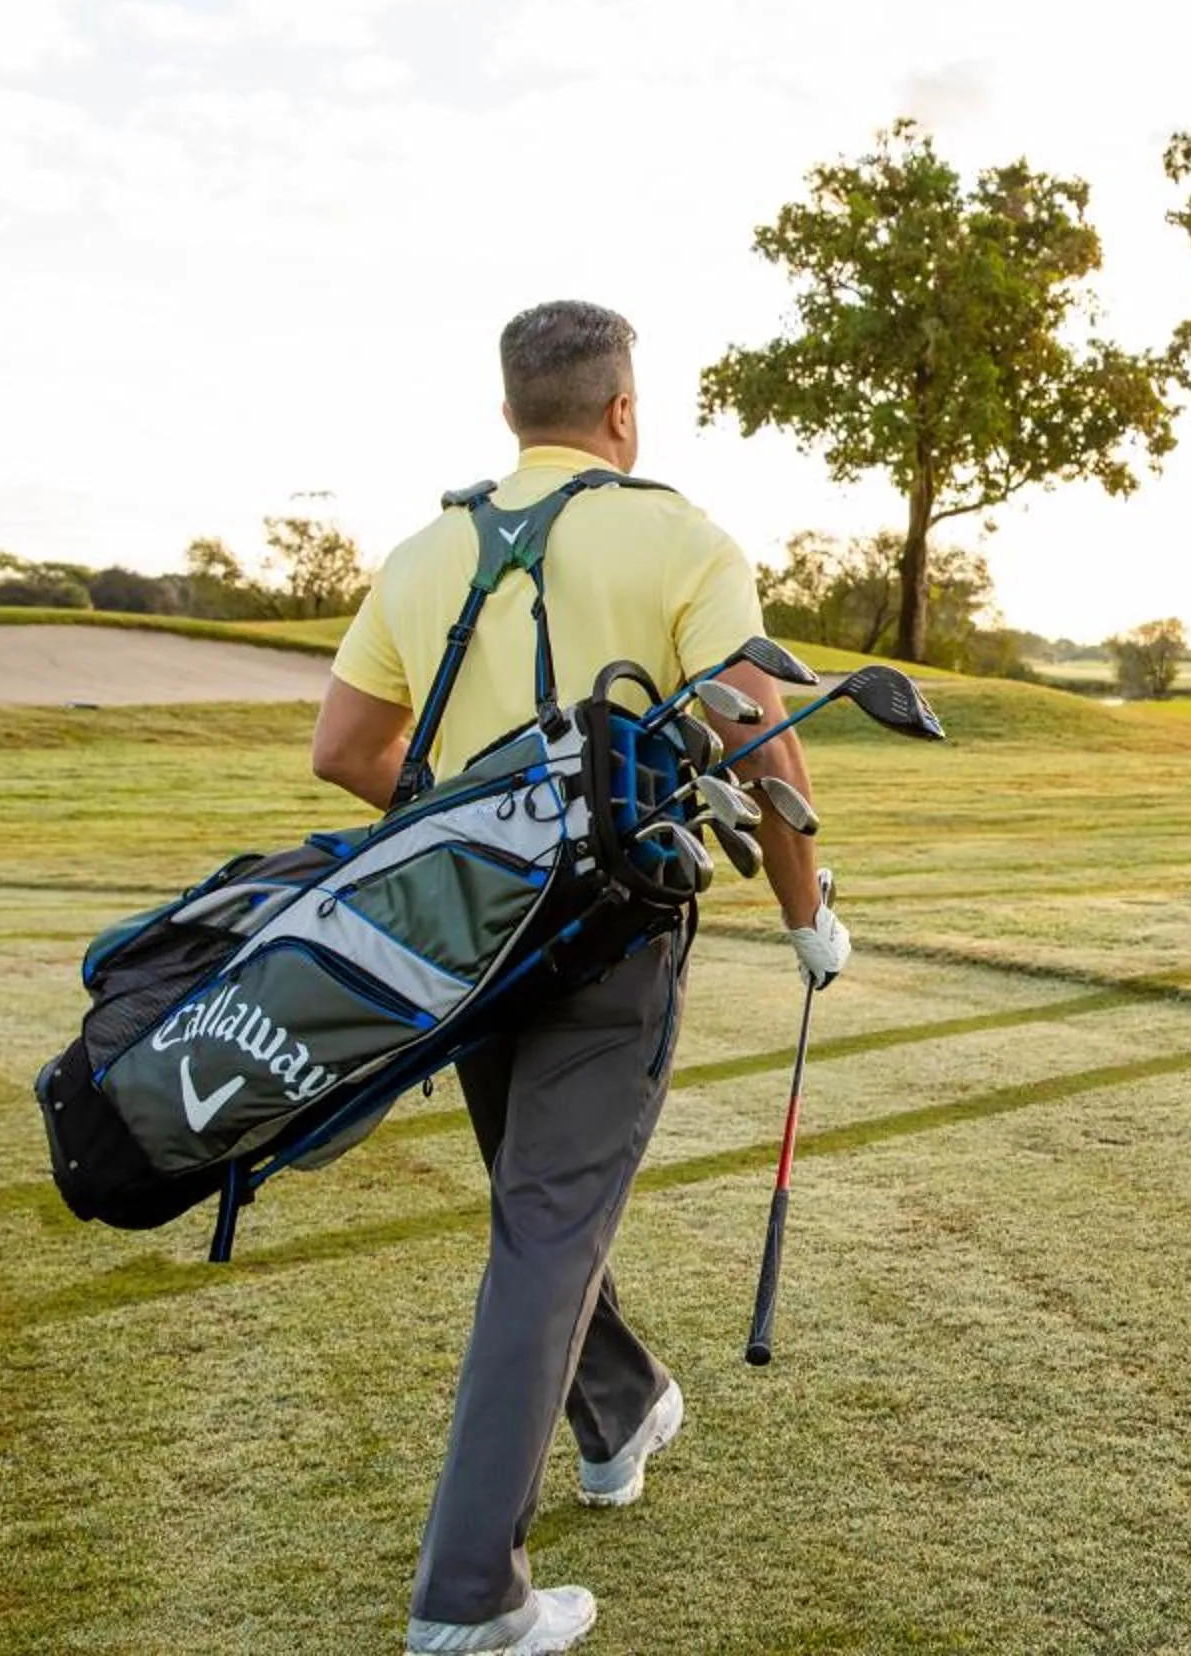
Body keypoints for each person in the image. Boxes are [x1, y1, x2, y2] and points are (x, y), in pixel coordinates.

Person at [311, 300, 851, 1656]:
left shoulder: (430, 546)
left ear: (510, 415)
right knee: (548, 1224)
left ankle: (618, 1414)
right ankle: (468, 1597)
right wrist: (805, 920)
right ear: (622, 411)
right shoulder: (676, 534)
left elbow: (346, 748)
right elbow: (760, 737)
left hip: (468, 939)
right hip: (612, 937)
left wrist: (476, 832)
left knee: (539, 1205)